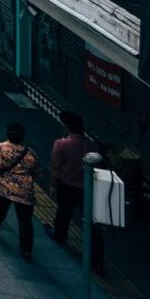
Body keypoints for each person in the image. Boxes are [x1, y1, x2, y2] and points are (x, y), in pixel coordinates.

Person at [47, 109, 102, 271]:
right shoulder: (92, 146)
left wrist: (52, 185)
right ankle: (97, 261)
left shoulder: (61, 143)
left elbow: (55, 166)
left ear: (66, 127)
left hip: (67, 185)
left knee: (63, 213)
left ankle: (60, 235)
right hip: (88, 189)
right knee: (91, 223)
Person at [0, 121, 39, 260]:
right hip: (25, 189)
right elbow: (36, 172)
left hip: (5, 185)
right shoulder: (31, 152)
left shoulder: (0, 148)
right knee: (25, 220)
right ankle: (26, 250)